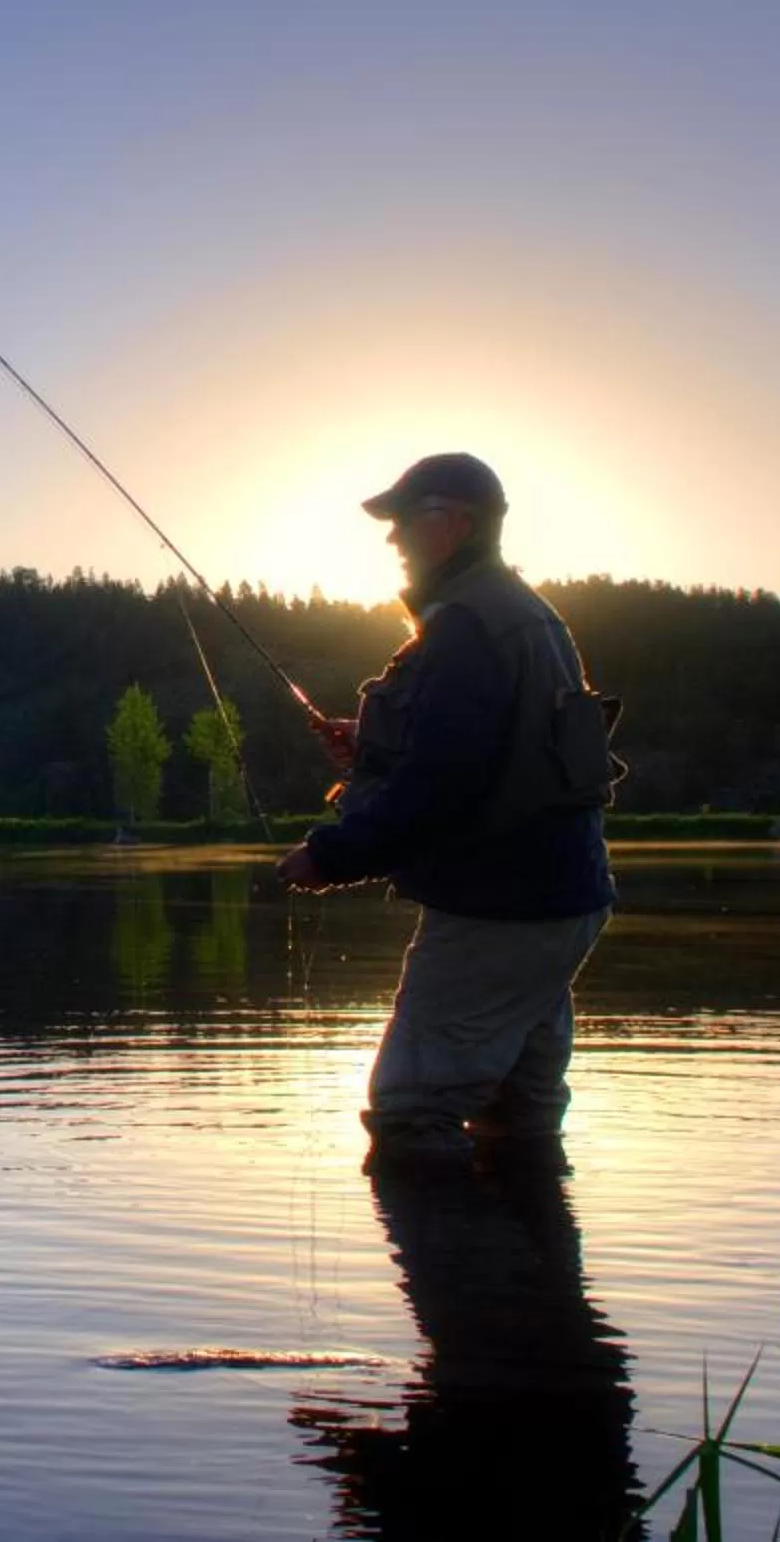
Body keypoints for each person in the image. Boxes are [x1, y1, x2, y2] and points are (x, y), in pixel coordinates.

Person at [273, 453, 619, 1164]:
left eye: (405, 519)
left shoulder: (467, 625)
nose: (393, 538)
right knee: (515, 1123)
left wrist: (330, 855)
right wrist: (376, 742)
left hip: (499, 908)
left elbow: (444, 784)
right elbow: (501, 749)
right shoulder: (520, 613)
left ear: (454, 522)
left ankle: (455, 1271)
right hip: (558, 904)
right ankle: (532, 1269)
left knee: (411, 1117)